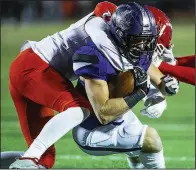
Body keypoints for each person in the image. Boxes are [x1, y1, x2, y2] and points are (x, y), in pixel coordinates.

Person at [5, 2, 179, 169]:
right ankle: (30, 157)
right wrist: (145, 91)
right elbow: (129, 65)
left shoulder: (117, 34)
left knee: (44, 161)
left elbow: (139, 60)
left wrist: (163, 83)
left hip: (36, 68)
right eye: (138, 39)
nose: (142, 46)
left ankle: (29, 157)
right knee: (78, 110)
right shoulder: (100, 38)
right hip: (35, 68)